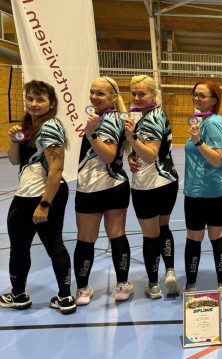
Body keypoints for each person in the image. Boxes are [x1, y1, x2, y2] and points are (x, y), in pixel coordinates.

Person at [0, 80, 75, 314]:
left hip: (37, 195)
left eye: (40, 99)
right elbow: (15, 160)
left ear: (51, 104)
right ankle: (59, 297)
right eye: (30, 98)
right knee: (42, 245)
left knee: (41, 246)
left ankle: (26, 294)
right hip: (34, 192)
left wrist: (44, 204)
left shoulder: (49, 126)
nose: (33, 103)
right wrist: (14, 141)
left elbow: (57, 169)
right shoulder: (31, 126)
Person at [73, 77, 133, 305]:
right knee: (114, 235)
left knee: (88, 238)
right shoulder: (110, 118)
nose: (94, 97)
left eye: (100, 93)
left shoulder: (108, 120)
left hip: (97, 187)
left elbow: (107, 155)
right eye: (92, 92)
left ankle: (83, 290)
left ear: (113, 97)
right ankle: (121, 285)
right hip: (111, 186)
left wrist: (91, 134)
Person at [125, 75, 179, 299]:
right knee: (163, 228)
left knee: (150, 235)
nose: (137, 97)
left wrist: (131, 138)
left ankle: (154, 285)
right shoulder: (154, 115)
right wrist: (132, 155)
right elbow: (144, 151)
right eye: (134, 93)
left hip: (149, 186)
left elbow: (150, 155)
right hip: (167, 182)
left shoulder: (151, 119)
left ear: (154, 94)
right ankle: (170, 271)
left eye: (142, 93)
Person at [183, 80, 222, 299]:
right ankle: (199, 285)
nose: (197, 98)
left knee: (206, 236)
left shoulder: (212, 123)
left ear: (214, 100)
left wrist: (198, 142)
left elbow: (217, 159)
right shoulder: (204, 120)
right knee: (203, 236)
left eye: (202, 95)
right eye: (195, 94)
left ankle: (209, 285)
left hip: (207, 190)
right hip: (201, 189)